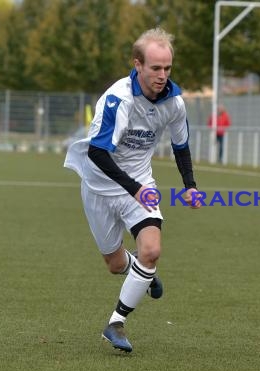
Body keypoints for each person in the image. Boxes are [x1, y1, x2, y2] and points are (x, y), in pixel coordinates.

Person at [64, 27, 202, 353]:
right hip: (100, 185)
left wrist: (190, 186)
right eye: (155, 68)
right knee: (114, 264)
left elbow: (181, 145)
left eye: (167, 68)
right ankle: (143, 274)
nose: (162, 75)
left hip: (141, 183)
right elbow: (97, 154)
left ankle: (116, 322)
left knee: (151, 250)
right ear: (137, 64)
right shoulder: (117, 99)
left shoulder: (174, 103)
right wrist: (133, 188)